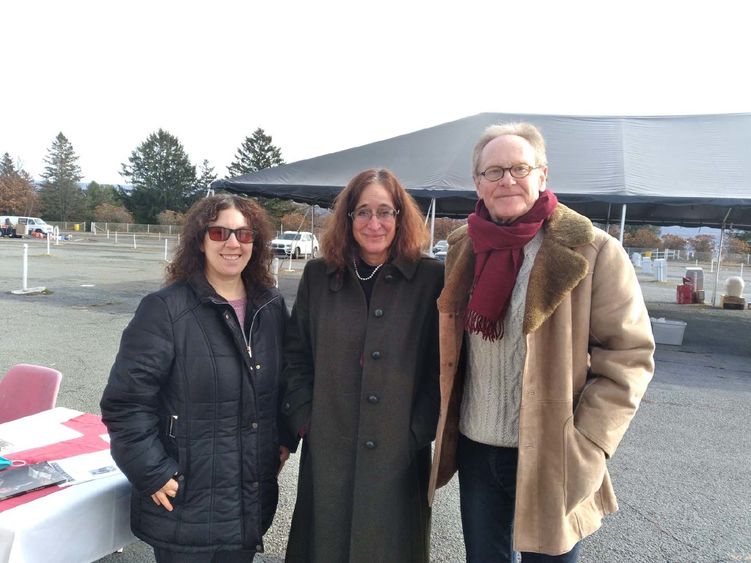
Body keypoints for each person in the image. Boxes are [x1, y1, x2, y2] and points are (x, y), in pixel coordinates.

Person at [429, 122, 655, 562]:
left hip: (554, 452)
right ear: (477, 182)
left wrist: (589, 441)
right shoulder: (463, 247)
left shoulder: (592, 250)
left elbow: (630, 356)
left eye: (519, 168)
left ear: (542, 176)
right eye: (493, 171)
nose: (507, 180)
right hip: (477, 448)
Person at [101, 194, 290, 563]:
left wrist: (282, 439)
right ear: (200, 241)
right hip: (185, 506)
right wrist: (153, 472)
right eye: (220, 233)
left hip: (246, 505)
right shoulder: (165, 309)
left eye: (244, 234)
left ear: (257, 242)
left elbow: (283, 385)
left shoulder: (270, 307)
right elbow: (125, 403)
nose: (233, 243)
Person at [281, 168, 444, 562]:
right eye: (363, 212)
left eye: (385, 212)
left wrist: (417, 430)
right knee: (324, 544)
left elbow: (445, 366)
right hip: (328, 446)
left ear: (401, 217)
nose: (375, 223)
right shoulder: (319, 276)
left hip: (398, 451)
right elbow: (295, 353)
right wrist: (307, 418)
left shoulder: (431, 278)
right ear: (348, 218)